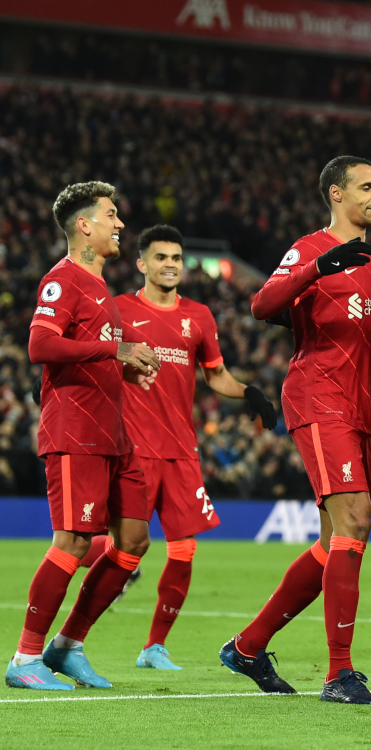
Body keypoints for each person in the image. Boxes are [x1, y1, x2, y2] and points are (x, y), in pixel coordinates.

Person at [219, 156, 371, 705]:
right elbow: (261, 302)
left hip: (356, 405)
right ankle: (339, 673)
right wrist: (318, 268)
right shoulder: (313, 246)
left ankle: (247, 646)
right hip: (319, 397)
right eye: (367, 186)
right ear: (336, 194)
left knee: (332, 541)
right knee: (355, 522)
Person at [6, 181, 160, 691]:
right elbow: (40, 345)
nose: (120, 224)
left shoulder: (100, 289)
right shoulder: (63, 279)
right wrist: (113, 352)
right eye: (111, 215)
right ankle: (25, 659)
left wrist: (128, 362)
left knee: (133, 541)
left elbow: (93, 351)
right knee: (71, 541)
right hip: (75, 430)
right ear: (84, 225)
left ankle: (67, 645)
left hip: (114, 435)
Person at [110, 224, 277, 669]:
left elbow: (214, 373)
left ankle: (154, 646)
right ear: (142, 263)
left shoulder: (199, 315)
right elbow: (94, 354)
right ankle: (72, 639)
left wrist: (248, 392)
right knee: (125, 548)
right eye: (161, 257)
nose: (170, 265)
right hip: (134, 447)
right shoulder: (119, 310)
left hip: (182, 449)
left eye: (176, 258)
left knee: (184, 551)